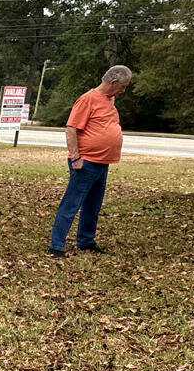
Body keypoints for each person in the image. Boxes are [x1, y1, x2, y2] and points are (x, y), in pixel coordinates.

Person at [47, 64, 132, 257]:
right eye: (123, 85)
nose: (123, 90)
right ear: (113, 82)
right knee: (71, 203)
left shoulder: (110, 100)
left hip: (103, 162)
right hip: (86, 162)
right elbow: (71, 129)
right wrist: (76, 157)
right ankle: (56, 246)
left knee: (93, 204)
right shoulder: (88, 99)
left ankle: (86, 241)